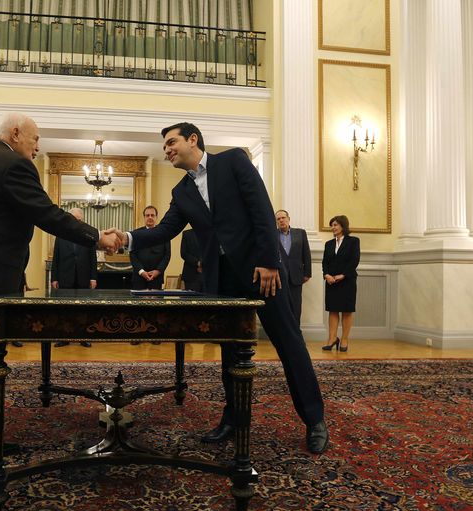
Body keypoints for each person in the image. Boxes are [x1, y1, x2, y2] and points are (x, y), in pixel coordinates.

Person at [116, 122, 328, 454]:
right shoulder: (181, 192)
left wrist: (270, 261)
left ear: (193, 139)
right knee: (230, 355)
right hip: (223, 282)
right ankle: (233, 418)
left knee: (289, 344)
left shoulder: (233, 162)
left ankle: (314, 420)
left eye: (171, 142)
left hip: (263, 273)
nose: (167, 150)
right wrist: (125, 239)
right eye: (164, 146)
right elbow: (164, 231)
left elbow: (261, 209)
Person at [0, 112, 121, 459]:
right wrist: (96, 237)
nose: (37, 147)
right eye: (35, 139)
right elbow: (45, 213)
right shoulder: (11, 164)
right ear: (15, 133)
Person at [51, 207, 97, 348]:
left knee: (83, 309)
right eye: (73, 219)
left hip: (83, 278)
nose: (76, 222)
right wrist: (54, 278)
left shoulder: (87, 235)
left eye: (78, 220)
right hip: (65, 277)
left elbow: (92, 259)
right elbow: (56, 258)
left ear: (81, 220)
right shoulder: (60, 235)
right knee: (65, 309)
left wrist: (93, 277)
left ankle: (83, 337)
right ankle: (65, 338)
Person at [321, 215, 360, 352]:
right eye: (332, 225)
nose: (333, 227)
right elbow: (325, 262)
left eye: (335, 225)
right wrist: (326, 275)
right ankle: (332, 339)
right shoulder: (329, 244)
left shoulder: (353, 241)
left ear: (343, 226)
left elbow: (354, 260)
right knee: (332, 310)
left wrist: (342, 275)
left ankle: (344, 339)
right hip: (331, 281)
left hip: (347, 280)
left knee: (347, 310)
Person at [275, 210, 312, 325]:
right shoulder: (272, 234)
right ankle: (283, 333)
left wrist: (307, 273)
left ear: (288, 219)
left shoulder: (300, 233)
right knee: (281, 307)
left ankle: (296, 333)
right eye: (278, 219)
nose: (281, 220)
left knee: (296, 306)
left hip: (296, 276)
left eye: (283, 218)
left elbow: (306, 253)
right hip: (279, 277)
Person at [130, 205, 170, 290]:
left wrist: (158, 271)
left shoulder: (164, 234)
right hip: (139, 278)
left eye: (152, 215)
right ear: (144, 217)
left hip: (156, 278)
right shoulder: (136, 233)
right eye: (147, 215)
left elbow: (167, 255)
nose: (150, 217)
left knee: (156, 303)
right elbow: (132, 255)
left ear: (156, 217)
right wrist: (142, 271)